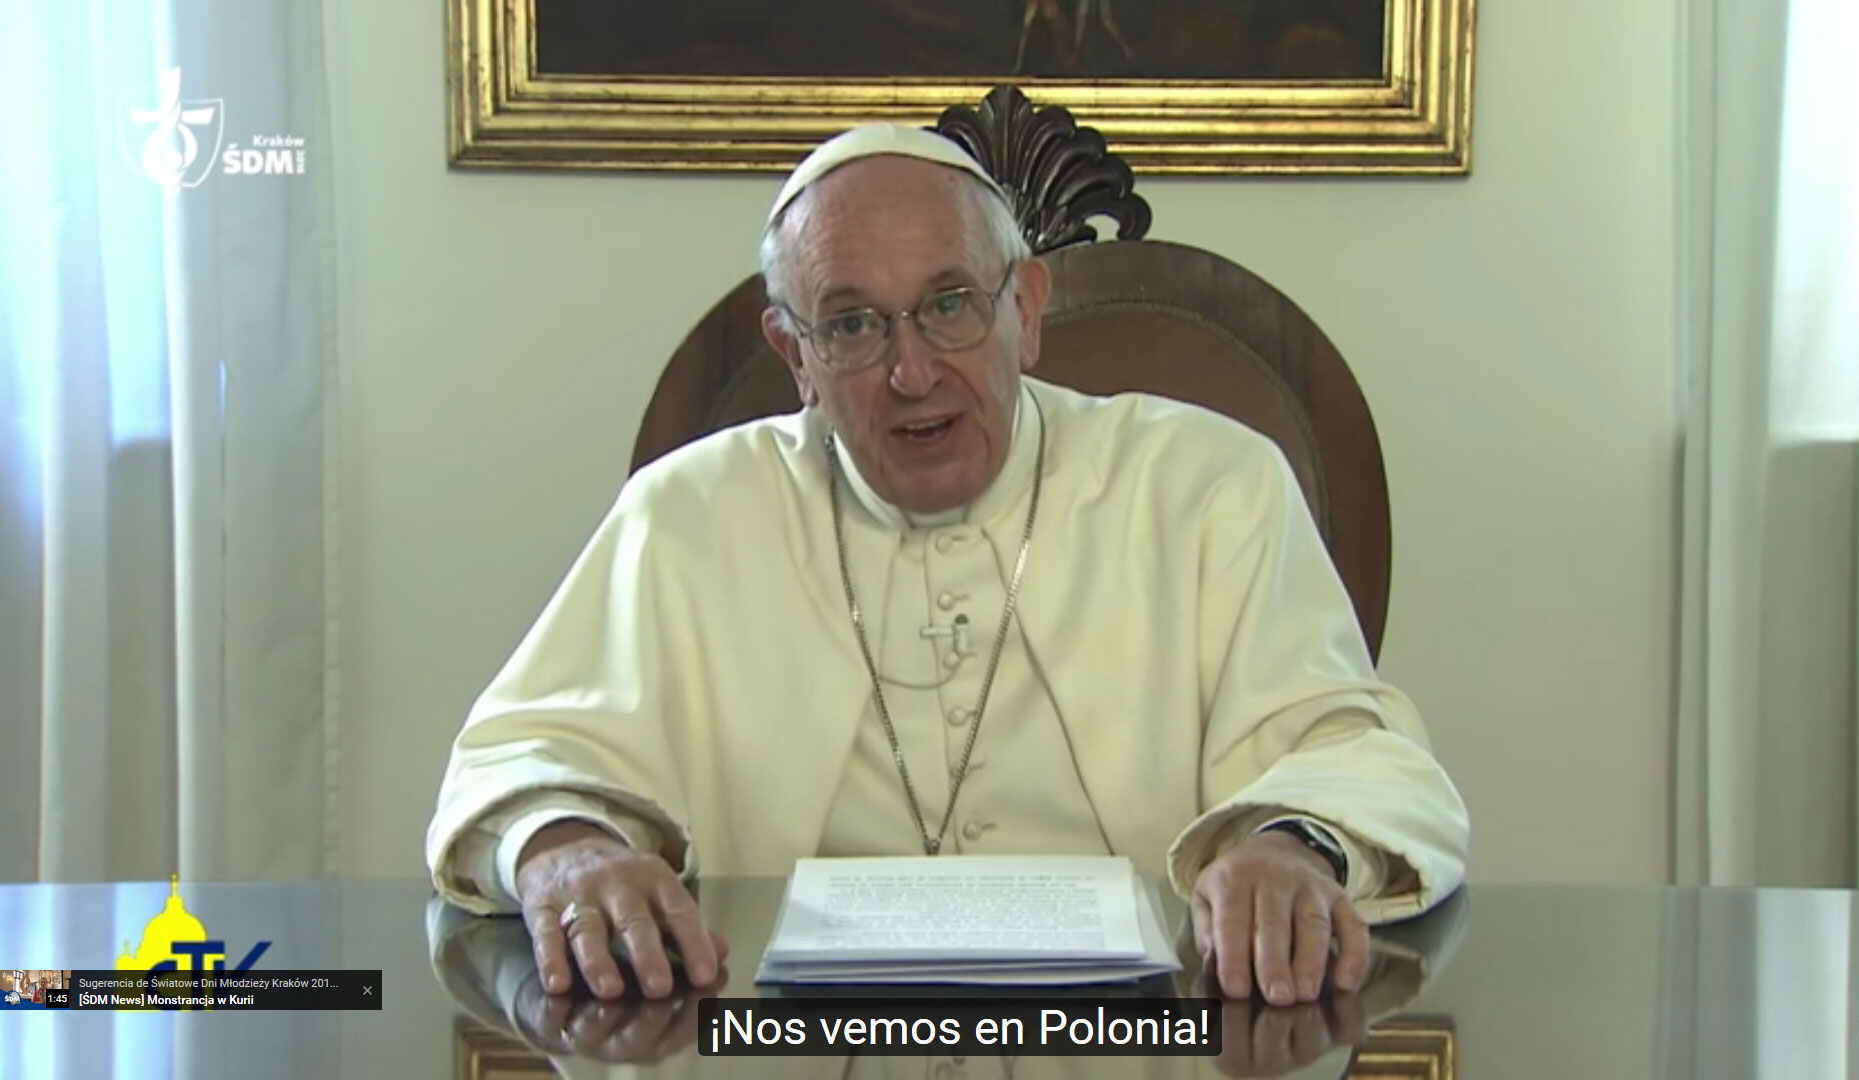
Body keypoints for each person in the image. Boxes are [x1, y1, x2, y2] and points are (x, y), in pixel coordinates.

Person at [426, 123, 1470, 1005]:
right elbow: (524, 759)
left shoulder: (1207, 486)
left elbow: (1354, 748)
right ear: (795, 355)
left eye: (950, 304)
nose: (912, 371)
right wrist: (569, 848)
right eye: (852, 324)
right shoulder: (687, 516)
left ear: (1026, 309)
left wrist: (1289, 847)